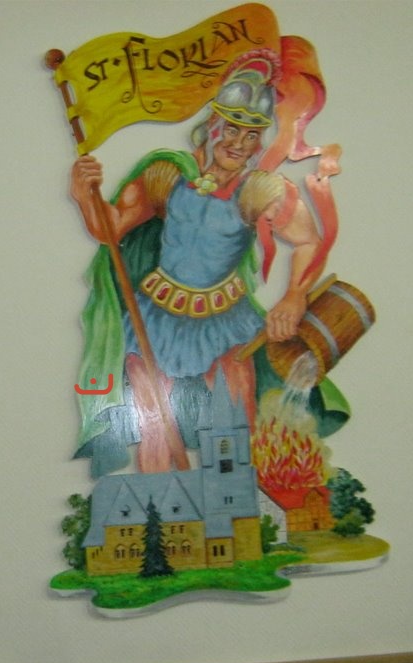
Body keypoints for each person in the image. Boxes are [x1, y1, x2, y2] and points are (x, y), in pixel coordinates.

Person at [70, 50, 341, 477]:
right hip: (155, 316)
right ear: (211, 126)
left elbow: (308, 240)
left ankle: (234, 504)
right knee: (153, 422)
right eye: (231, 129)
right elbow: (112, 228)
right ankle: (161, 503)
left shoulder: (261, 190)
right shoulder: (167, 173)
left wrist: (294, 295)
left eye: (251, 135)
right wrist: (85, 196)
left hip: (225, 319)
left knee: (234, 417)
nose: (239, 144)